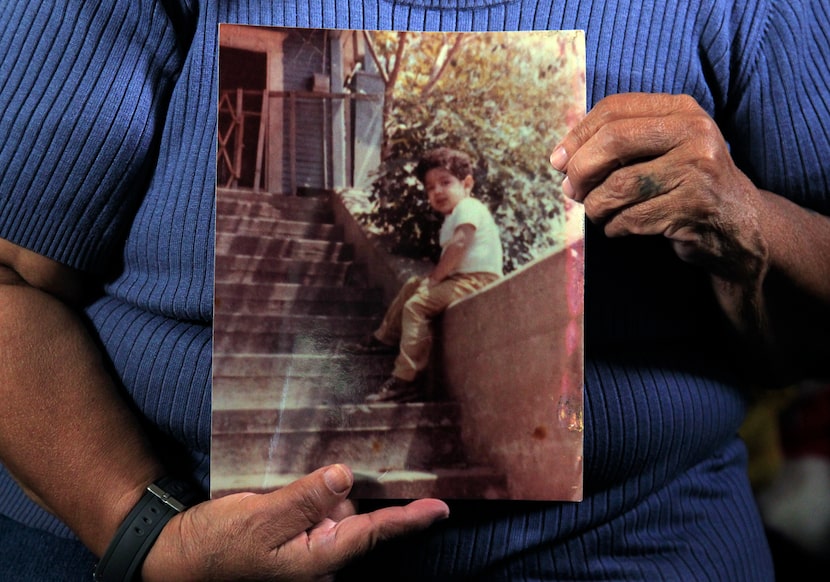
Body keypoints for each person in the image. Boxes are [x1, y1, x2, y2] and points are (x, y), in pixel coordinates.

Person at [0, 1, 827, 580]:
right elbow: (10, 280)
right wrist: (143, 531)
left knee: (420, 303)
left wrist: (754, 227)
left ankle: (400, 369)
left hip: (630, 541)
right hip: (163, 527)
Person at [348, 147, 503, 403]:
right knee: (412, 285)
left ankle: (407, 379)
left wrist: (434, 280)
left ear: (467, 184)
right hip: (464, 279)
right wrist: (430, 281)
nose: (437, 191)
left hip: (479, 280)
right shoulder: (455, 215)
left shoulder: (468, 206)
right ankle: (383, 339)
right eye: (430, 188)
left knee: (417, 305)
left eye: (445, 182)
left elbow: (461, 244)